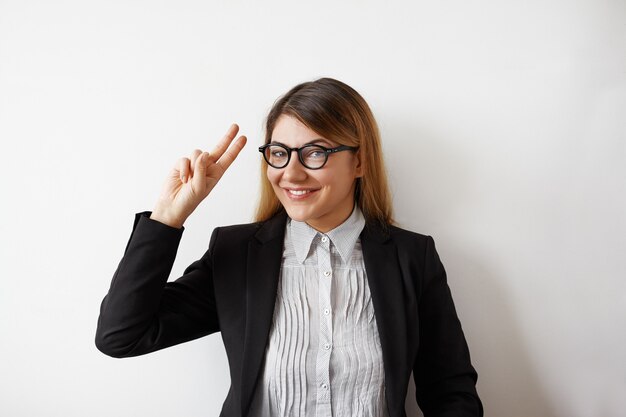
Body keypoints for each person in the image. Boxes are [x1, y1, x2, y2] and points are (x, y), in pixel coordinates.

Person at [95, 77, 483, 417]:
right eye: (279, 153)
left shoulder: (411, 258)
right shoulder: (237, 254)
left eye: (316, 152)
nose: (291, 173)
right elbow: (121, 336)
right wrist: (168, 217)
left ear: (360, 162)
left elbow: (451, 392)